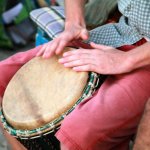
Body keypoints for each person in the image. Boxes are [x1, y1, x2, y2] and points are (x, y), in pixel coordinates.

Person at [0, 0, 150, 150]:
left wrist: (127, 60)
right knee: (2, 77)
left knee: (75, 135)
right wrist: (74, 23)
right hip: (123, 32)